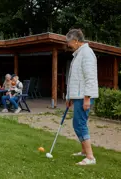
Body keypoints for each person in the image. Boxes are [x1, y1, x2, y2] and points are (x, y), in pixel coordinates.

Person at [65, 29, 99, 165]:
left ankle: (90, 157)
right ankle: (84, 151)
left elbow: (90, 78)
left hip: (84, 96)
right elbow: (75, 79)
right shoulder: (79, 54)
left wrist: (87, 98)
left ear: (76, 41)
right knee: (79, 123)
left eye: (69, 42)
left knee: (79, 124)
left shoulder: (87, 54)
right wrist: (69, 97)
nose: (68, 45)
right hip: (78, 96)